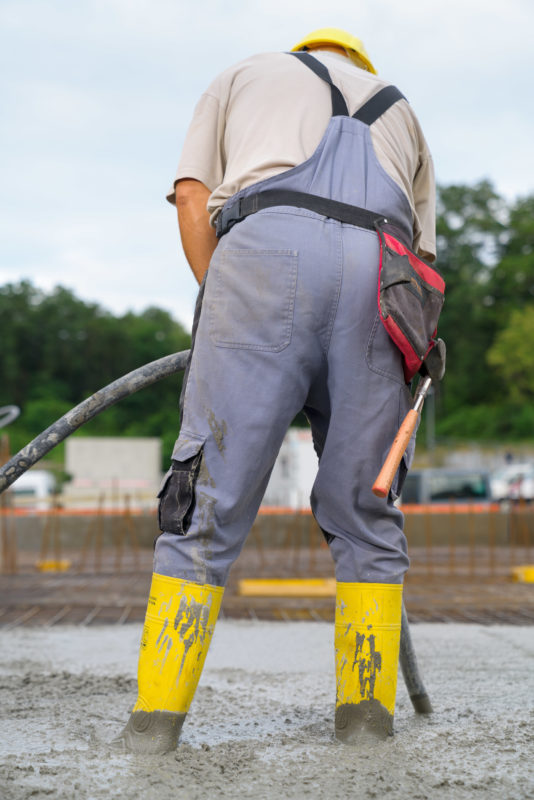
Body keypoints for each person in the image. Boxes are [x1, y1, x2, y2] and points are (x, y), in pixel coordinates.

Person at [113, 27, 436, 754]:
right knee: (367, 518)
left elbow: (194, 199)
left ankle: (152, 734)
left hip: (264, 250)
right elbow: (419, 260)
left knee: (203, 508)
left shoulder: (246, 72)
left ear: (304, 51)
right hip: (380, 278)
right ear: (360, 65)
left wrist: (230, 304)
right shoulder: (403, 110)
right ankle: (365, 733)